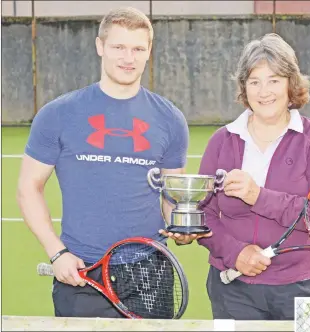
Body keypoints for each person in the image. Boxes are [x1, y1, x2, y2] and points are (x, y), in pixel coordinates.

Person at [16, 7, 210, 319]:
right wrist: (57, 253)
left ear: (149, 52)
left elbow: (169, 196)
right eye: (118, 47)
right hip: (81, 270)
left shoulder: (170, 118)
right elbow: (28, 189)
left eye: (138, 49)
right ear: (100, 46)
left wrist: (181, 226)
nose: (128, 58)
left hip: (151, 269)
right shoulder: (58, 114)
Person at [164, 33, 310, 320]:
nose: (263, 91)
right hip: (233, 291)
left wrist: (258, 196)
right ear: (244, 87)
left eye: (274, 80)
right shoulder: (222, 140)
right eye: (254, 81)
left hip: (303, 287)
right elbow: (201, 213)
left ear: (291, 84)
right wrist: (235, 253)